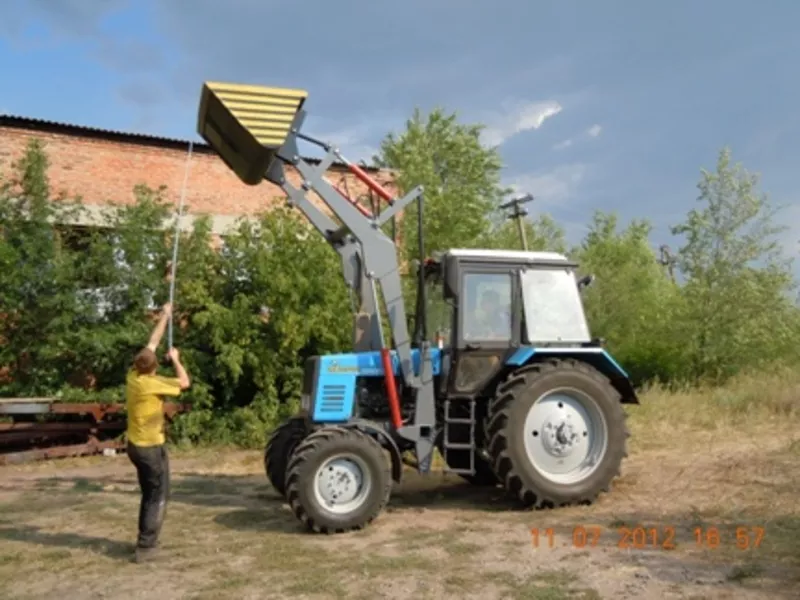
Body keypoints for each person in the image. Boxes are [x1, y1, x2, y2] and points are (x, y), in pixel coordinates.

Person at [125, 302, 190, 563]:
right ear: (153, 368)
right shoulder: (151, 384)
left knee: (152, 492)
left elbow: (153, 342)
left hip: (138, 445)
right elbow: (184, 382)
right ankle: (146, 546)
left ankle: (147, 539)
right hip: (149, 448)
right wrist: (176, 360)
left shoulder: (133, 375)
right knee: (156, 495)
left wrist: (165, 315)